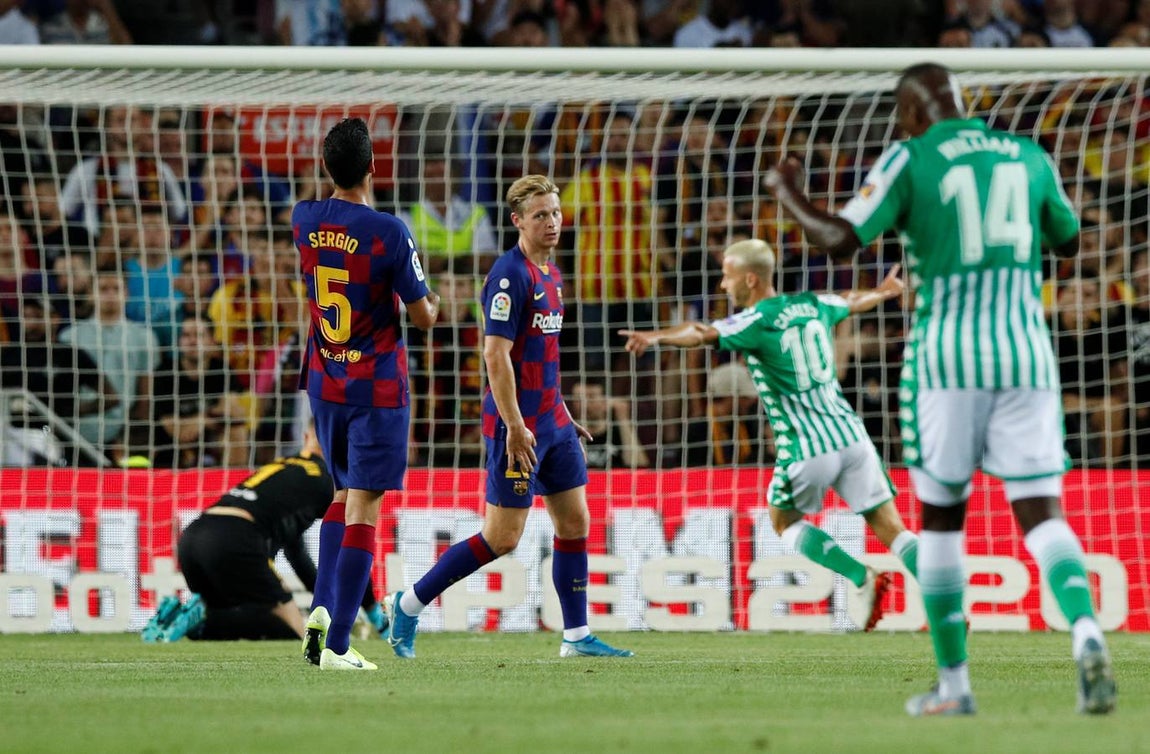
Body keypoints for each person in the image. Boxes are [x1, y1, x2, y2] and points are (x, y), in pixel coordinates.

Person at [764, 62, 1116, 716]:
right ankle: (1088, 633)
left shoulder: (911, 157)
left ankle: (955, 686)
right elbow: (1068, 241)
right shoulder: (1026, 153)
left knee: (943, 521)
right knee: (1043, 512)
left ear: (912, 113)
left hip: (947, 361)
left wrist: (788, 193)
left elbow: (841, 241)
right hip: (1027, 355)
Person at [383, 174, 633, 660]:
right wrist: (517, 426)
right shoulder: (508, 275)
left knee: (576, 521)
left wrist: (562, 412)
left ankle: (577, 637)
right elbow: (495, 356)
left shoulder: (554, 276)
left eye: (556, 213)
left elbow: (542, 358)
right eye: (540, 215)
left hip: (553, 424)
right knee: (503, 537)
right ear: (518, 221)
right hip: (515, 427)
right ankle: (408, 605)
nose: (552, 222)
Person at [620, 239, 918, 632]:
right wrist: (884, 291)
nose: (724, 286)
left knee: (783, 521)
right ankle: (949, 595)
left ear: (750, 278)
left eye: (727, 277)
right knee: (892, 528)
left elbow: (700, 332)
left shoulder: (756, 320)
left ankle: (860, 576)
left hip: (808, 444)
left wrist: (657, 337)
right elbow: (850, 300)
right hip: (852, 435)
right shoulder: (812, 304)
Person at [293, 117, 439, 671]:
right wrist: (435, 299)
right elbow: (423, 316)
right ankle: (335, 644)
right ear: (376, 167)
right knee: (366, 507)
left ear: (325, 168)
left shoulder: (303, 219)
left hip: (325, 382)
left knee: (339, 494)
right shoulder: (389, 231)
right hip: (376, 387)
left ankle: (322, 610)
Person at [141, 426, 389, 643]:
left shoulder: (283, 466)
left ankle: (182, 616)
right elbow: (351, 548)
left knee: (241, 613)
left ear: (306, 437)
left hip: (193, 538)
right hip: (235, 538)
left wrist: (324, 602)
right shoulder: (330, 480)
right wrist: (372, 609)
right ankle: (203, 621)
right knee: (296, 631)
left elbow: (296, 553)